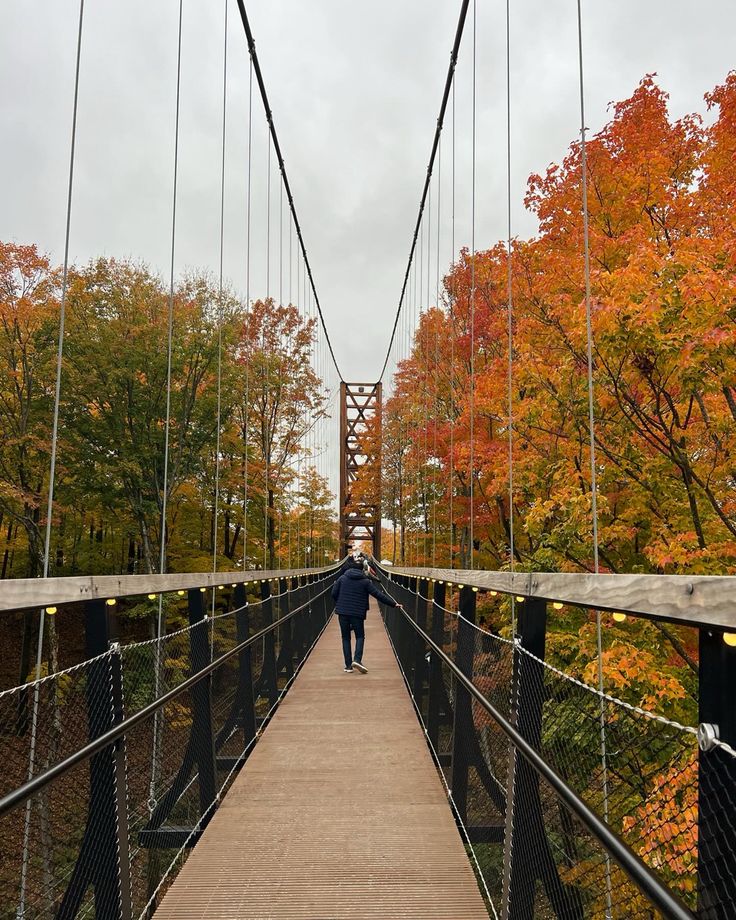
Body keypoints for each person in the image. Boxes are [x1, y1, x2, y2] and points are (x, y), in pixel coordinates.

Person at [331, 554, 403, 674]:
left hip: (342, 612)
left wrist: (340, 603)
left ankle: (348, 666)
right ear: (362, 570)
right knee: (360, 636)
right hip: (357, 613)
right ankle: (357, 660)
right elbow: (378, 595)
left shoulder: (342, 578)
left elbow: (333, 593)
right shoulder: (365, 581)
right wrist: (393, 604)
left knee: (345, 638)